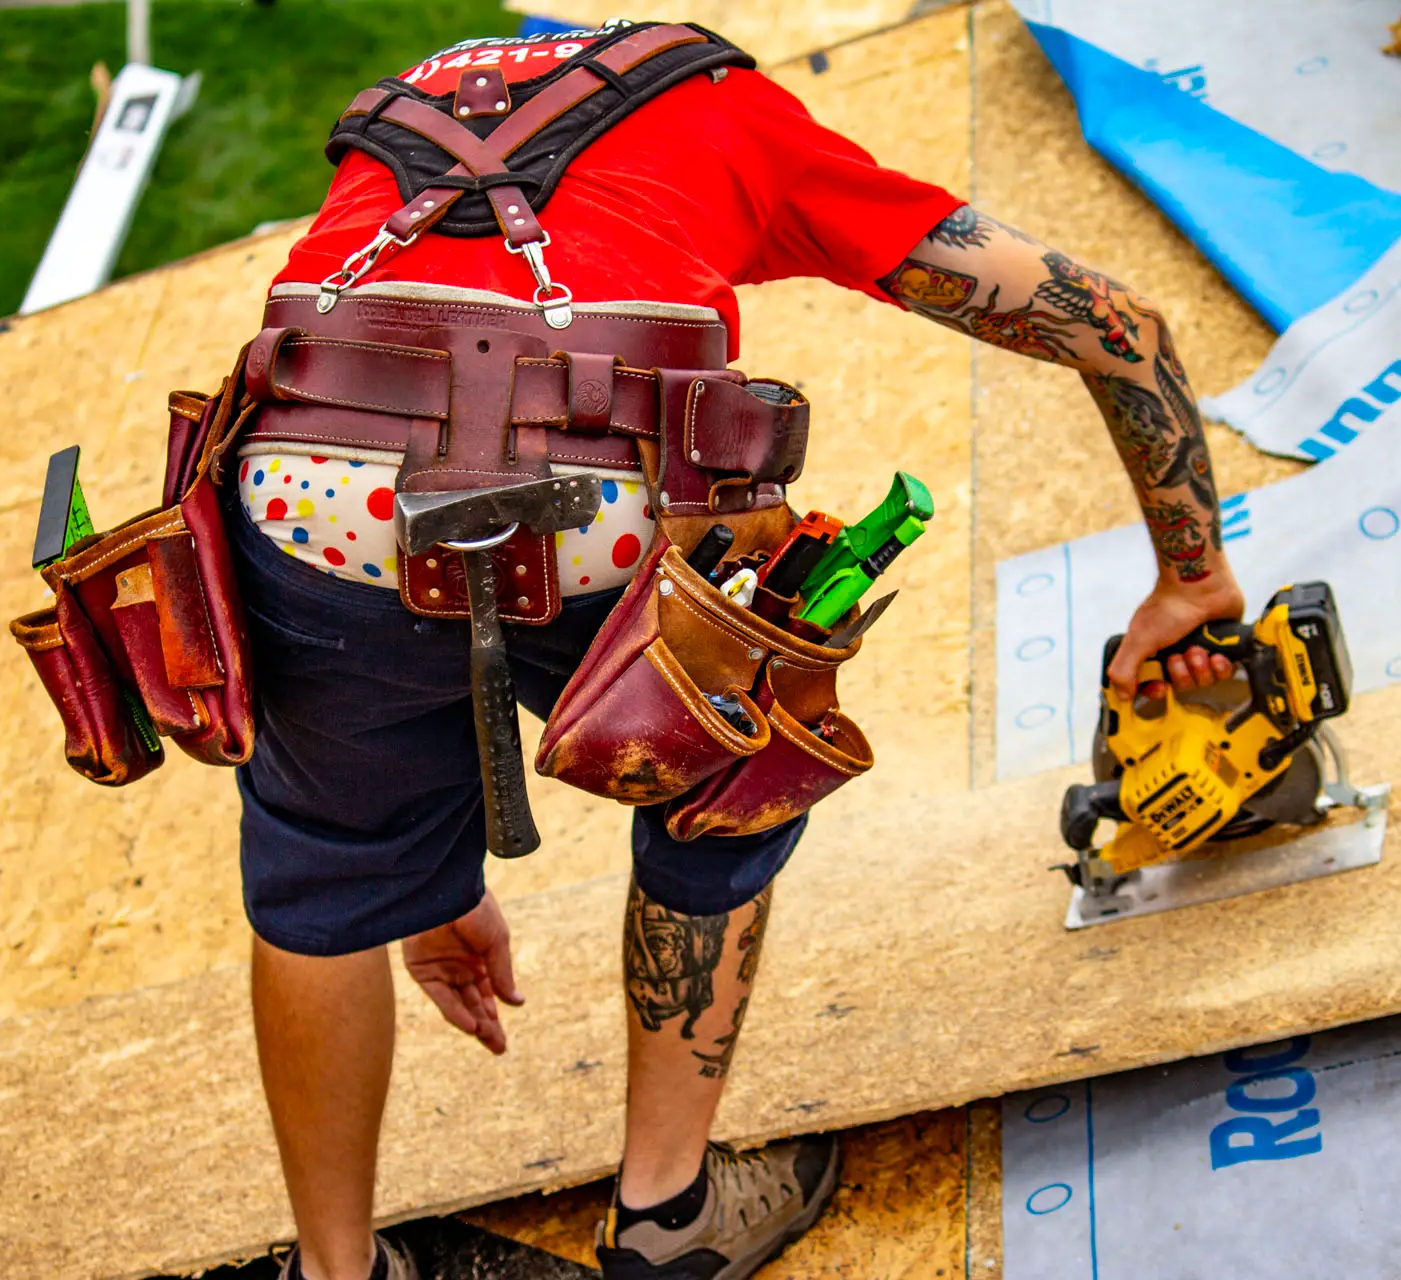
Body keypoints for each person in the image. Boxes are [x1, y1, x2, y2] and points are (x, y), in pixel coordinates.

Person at [231, 22, 1243, 1280]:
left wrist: (415, 880)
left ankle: (336, 1271)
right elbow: (1109, 321)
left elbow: (431, 391)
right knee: (727, 774)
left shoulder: (404, 95)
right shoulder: (723, 106)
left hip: (309, 493)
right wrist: (1193, 572)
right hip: (603, 496)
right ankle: (667, 1217)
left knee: (324, 867)